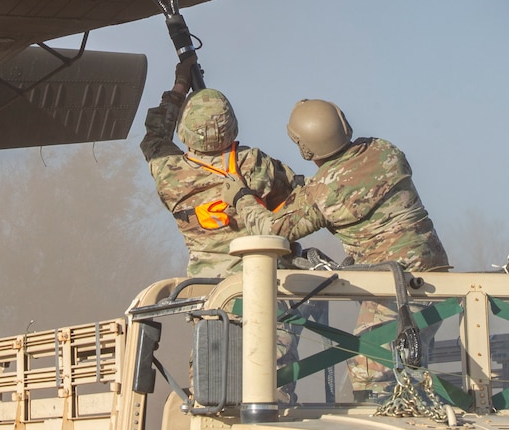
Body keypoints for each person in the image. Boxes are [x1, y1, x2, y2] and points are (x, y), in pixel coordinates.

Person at [222, 99, 450, 273]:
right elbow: (354, 181)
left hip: (393, 281)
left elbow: (270, 231)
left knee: (372, 337)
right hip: (435, 266)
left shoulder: (323, 191)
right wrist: (306, 188)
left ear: (305, 148)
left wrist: (241, 197)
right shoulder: (384, 150)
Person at [140, 62, 297, 277]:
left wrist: (180, 85)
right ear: (232, 124)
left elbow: (155, 135)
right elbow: (295, 197)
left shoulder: (170, 173)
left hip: (208, 291)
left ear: (184, 130)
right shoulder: (257, 162)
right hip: (267, 282)